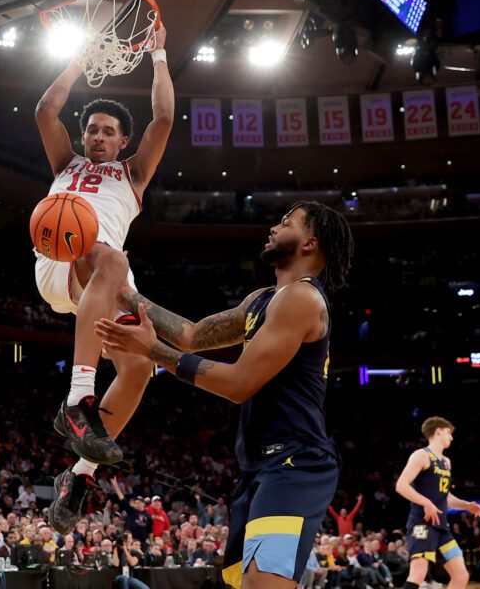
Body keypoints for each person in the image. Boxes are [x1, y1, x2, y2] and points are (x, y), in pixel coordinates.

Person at [95, 202, 355, 589]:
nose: (274, 226)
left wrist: (152, 351)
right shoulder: (262, 299)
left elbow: (238, 384)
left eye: (287, 223)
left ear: (309, 243)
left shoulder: (301, 299)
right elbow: (192, 335)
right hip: (259, 467)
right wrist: (124, 290)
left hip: (295, 463)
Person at [34, 23, 174, 533]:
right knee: (113, 259)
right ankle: (77, 397)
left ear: (122, 142)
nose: (96, 135)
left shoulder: (133, 176)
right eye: (91, 128)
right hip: (62, 259)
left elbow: (165, 116)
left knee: (140, 367)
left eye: (107, 131)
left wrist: (158, 55)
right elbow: (45, 110)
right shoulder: (64, 163)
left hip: (107, 274)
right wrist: (79, 59)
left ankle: (81, 472)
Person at [394, 417, 480, 589]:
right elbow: (401, 485)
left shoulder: (446, 462)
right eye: (449, 433)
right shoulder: (421, 455)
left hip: (442, 528)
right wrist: (426, 502)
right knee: (419, 573)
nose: (451, 437)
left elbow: (446, 497)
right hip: (422, 524)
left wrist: (466, 505)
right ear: (438, 431)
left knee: (461, 575)